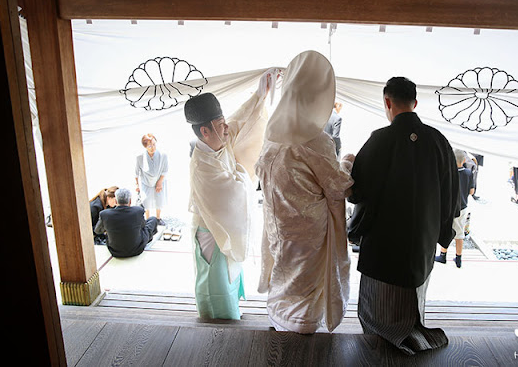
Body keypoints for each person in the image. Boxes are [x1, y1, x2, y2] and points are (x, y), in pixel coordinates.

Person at [347, 76, 458, 355]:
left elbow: (357, 191)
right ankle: (411, 338)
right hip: (422, 243)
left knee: (379, 312)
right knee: (413, 300)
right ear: (415, 103)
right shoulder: (438, 140)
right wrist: (444, 233)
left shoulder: (380, 140)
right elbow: (451, 194)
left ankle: (380, 349)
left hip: (384, 243)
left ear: (387, 102)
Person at [256, 51, 354, 334]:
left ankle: (279, 323)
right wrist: (346, 161)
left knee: (282, 275)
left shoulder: (272, 132)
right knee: (304, 284)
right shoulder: (316, 141)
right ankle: (301, 334)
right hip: (307, 232)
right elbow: (338, 186)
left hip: (276, 224)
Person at [185, 68, 277, 320]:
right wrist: (240, 169)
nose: (226, 128)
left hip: (220, 230)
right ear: (205, 132)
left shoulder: (219, 140)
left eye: (223, 122)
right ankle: (218, 325)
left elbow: (240, 121)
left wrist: (260, 95)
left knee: (228, 277)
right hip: (212, 233)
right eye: (219, 125)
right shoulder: (203, 165)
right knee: (216, 284)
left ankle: (228, 313)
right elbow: (234, 193)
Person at [435, 149, 474, 268]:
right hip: (462, 206)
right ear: (463, 161)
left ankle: (443, 254)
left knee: (447, 230)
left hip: (448, 206)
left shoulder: (448, 173)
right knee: (460, 232)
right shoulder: (468, 173)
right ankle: (458, 258)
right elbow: (471, 191)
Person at [94, 188, 158, 258]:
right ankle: (149, 239)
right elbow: (143, 226)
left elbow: (97, 231)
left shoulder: (105, 214)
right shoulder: (138, 211)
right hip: (137, 249)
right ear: (130, 201)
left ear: (116, 201)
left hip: (115, 251)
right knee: (153, 219)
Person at [135, 133, 168, 224]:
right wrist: (137, 185)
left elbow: (165, 170)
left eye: (154, 144)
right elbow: (136, 173)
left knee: (159, 199)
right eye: (150, 146)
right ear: (145, 146)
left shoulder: (163, 155)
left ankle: (158, 218)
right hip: (146, 182)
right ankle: (147, 219)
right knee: (146, 201)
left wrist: (159, 182)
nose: (153, 147)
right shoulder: (140, 157)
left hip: (159, 180)